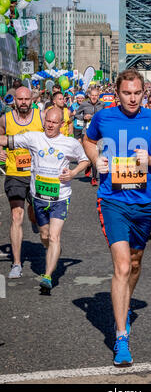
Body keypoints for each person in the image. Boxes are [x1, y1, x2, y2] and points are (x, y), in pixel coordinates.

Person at [83, 69, 151, 367]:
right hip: (112, 201)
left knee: (135, 262)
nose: (132, 98)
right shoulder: (104, 117)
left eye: (137, 93)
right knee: (122, 265)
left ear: (143, 92)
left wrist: (150, 160)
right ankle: (121, 335)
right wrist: (97, 160)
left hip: (145, 202)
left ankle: (124, 304)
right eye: (126, 93)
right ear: (117, 93)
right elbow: (88, 140)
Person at [0, 107, 89, 291]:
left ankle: (48, 276)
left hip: (60, 198)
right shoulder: (34, 137)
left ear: (61, 124)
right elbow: (8, 140)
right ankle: (54, 251)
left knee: (55, 236)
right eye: (48, 121)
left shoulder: (69, 143)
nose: (50, 125)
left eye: (54, 122)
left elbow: (85, 160)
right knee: (45, 236)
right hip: (39, 198)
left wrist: (72, 173)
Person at [0, 87, 44, 279]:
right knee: (16, 216)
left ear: (32, 99)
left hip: (38, 172)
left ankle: (33, 214)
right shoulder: (5, 119)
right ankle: (17, 263)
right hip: (14, 172)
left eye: (27, 99)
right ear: (14, 101)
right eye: (20, 99)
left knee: (34, 214)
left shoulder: (41, 117)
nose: (24, 102)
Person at [75, 88, 105, 186]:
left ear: (98, 96)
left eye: (96, 95)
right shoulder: (84, 104)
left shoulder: (102, 105)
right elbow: (77, 114)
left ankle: (94, 178)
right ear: (89, 95)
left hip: (98, 133)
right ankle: (88, 165)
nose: (94, 97)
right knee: (89, 155)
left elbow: (104, 116)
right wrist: (83, 117)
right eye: (92, 95)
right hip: (86, 132)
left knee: (97, 155)